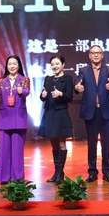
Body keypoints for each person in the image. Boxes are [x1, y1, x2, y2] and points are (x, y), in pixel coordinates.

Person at [75, 45, 109, 183]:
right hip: (91, 112)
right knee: (92, 145)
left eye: (98, 53)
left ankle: (107, 173)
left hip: (106, 112)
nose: (96, 55)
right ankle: (92, 172)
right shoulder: (84, 70)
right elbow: (78, 81)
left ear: (102, 55)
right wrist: (77, 87)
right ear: (89, 55)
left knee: (106, 145)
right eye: (93, 53)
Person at [0, 55, 30, 184]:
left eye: (14, 64)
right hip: (5, 117)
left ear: (19, 65)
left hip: (19, 118)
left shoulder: (24, 79)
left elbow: (27, 92)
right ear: (6, 66)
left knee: (17, 150)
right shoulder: (2, 80)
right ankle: (4, 178)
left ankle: (17, 177)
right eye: (10, 64)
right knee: (3, 149)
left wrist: (21, 91)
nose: (12, 66)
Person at [38, 55, 74, 183]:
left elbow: (70, 97)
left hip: (61, 113)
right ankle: (57, 173)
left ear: (63, 65)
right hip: (49, 113)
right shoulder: (48, 79)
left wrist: (61, 94)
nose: (55, 66)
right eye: (52, 64)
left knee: (62, 143)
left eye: (57, 63)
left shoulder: (68, 78)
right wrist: (42, 95)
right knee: (53, 144)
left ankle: (59, 173)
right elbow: (43, 96)